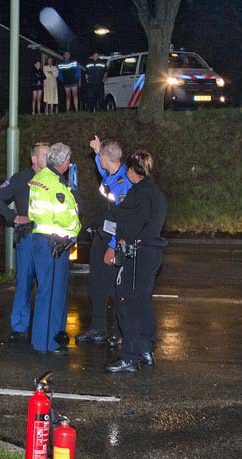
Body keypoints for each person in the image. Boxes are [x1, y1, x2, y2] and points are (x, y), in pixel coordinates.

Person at [104, 150, 168, 373]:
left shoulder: (139, 193)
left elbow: (132, 221)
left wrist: (122, 237)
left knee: (126, 302)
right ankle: (145, 349)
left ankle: (129, 356)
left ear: (133, 171)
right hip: (152, 253)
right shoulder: (156, 192)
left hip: (136, 254)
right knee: (142, 302)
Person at [0, 142, 50, 343]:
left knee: (47, 285)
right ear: (34, 158)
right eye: (44, 155)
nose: (48, 158)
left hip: (49, 238)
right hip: (28, 238)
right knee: (24, 283)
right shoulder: (20, 179)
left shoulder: (54, 178)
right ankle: (19, 325)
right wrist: (13, 216)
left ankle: (45, 325)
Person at [76, 136, 132, 346]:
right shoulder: (111, 174)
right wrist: (99, 150)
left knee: (115, 289)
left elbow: (121, 220)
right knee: (96, 286)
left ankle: (118, 332)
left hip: (113, 243)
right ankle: (97, 328)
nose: (98, 162)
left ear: (107, 159)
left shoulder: (123, 183)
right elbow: (102, 170)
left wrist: (112, 247)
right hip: (100, 237)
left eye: (100, 158)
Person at [27, 143, 81, 354]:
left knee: (46, 292)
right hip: (55, 242)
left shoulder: (40, 178)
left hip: (43, 239)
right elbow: (64, 214)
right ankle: (48, 343)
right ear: (64, 162)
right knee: (51, 294)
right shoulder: (56, 183)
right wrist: (76, 228)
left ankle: (42, 338)